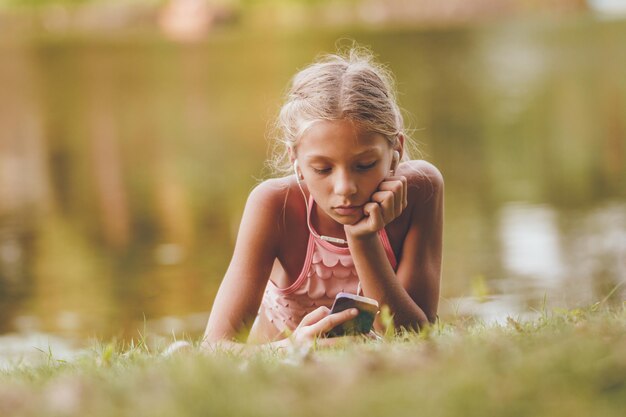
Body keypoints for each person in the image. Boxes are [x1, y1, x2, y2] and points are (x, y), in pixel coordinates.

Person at [201, 47, 443, 352]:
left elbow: (415, 337)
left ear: (395, 150)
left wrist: (364, 238)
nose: (345, 188)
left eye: (364, 165)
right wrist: (291, 348)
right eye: (322, 169)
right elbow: (214, 348)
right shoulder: (273, 205)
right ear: (296, 160)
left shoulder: (422, 190)